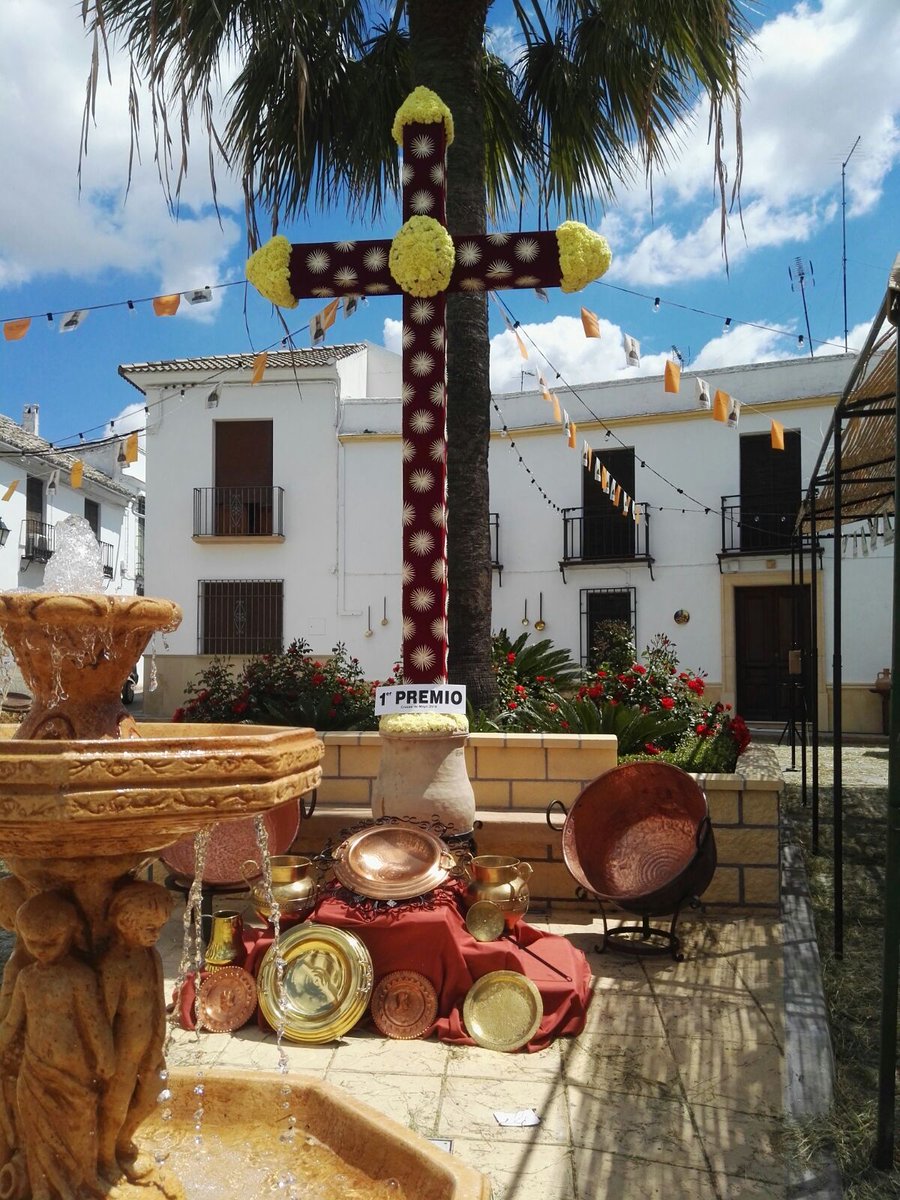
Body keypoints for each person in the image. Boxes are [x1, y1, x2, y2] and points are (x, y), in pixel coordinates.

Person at [0, 892, 114, 1200]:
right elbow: (12, 1022)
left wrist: (105, 1056)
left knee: (80, 1129)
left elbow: (93, 1023)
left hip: (73, 1071)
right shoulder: (26, 978)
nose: (41, 951)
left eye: (50, 943)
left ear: (70, 934)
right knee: (37, 1135)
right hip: (34, 1072)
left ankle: (81, 1183)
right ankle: (44, 1190)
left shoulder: (79, 977)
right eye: (33, 943)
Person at [97, 880, 174, 1182]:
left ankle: (123, 1140)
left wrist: (159, 1040)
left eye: (160, 927)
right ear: (125, 924)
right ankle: (104, 1157)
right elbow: (102, 1016)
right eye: (149, 928)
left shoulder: (151, 957)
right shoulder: (113, 965)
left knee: (155, 1094)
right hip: (121, 1051)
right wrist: (104, 1057)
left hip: (149, 1044)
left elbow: (157, 1001)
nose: (157, 935)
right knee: (114, 1106)